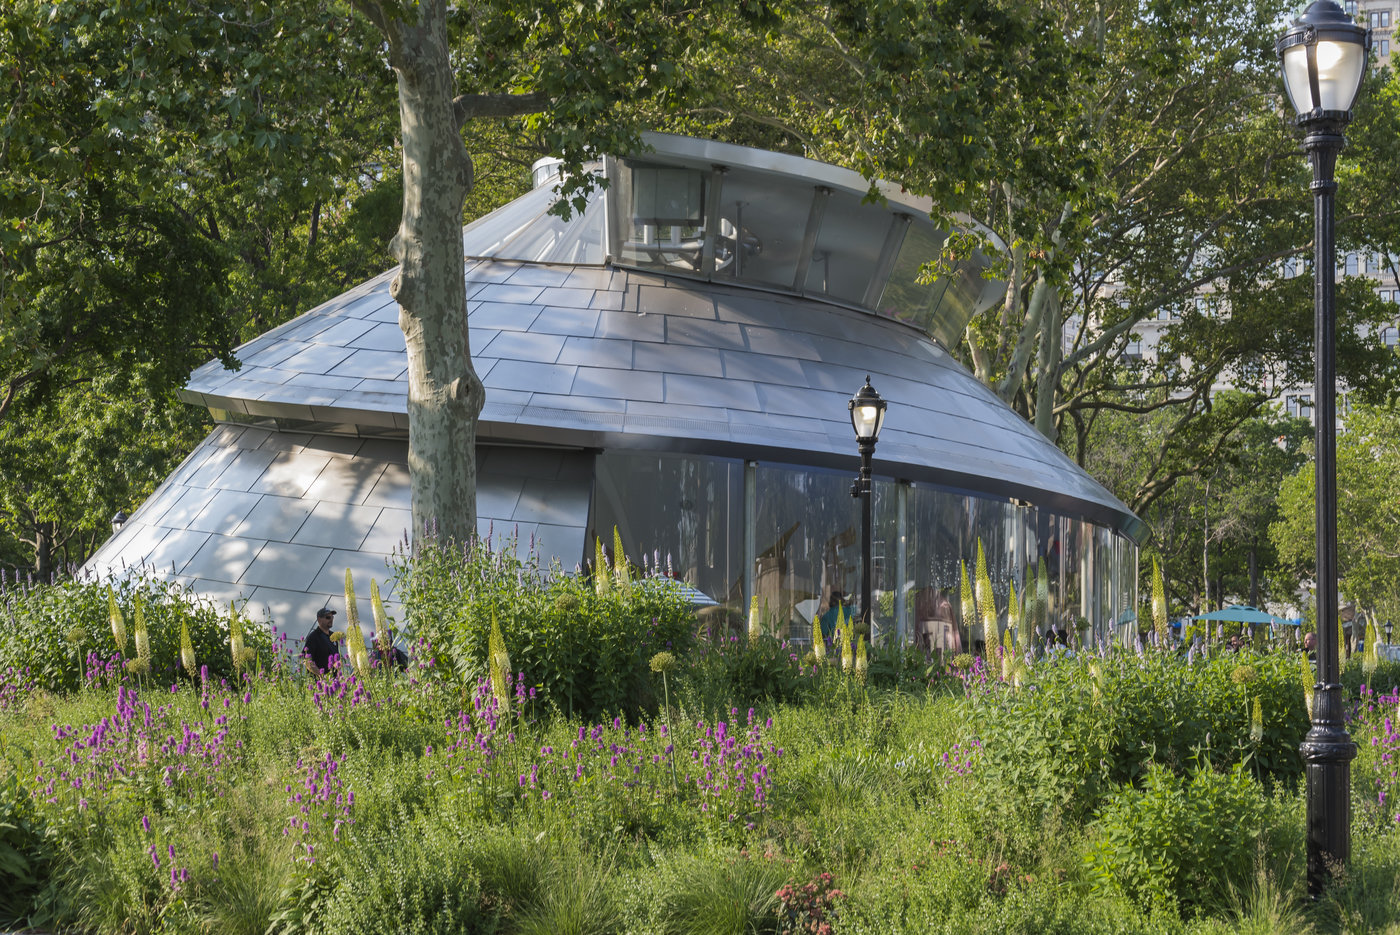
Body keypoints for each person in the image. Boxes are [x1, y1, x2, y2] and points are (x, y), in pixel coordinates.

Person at [303, 606, 341, 676]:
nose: (331, 619)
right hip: (319, 681)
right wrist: (321, 675)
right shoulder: (313, 637)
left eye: (332, 617)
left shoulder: (334, 636)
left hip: (334, 680)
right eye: (328, 617)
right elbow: (307, 660)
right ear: (319, 619)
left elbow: (336, 660)